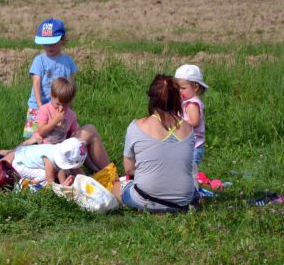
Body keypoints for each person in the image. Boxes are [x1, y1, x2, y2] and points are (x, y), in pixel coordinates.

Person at [121, 74, 198, 212]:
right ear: (177, 99)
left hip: (146, 198)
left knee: (117, 187)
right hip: (183, 201)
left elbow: (129, 169)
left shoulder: (136, 126)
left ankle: (153, 209)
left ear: (150, 99)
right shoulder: (189, 129)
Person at [24, 77, 113, 174]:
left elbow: (75, 131)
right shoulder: (45, 109)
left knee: (82, 150)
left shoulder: (71, 114)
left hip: (60, 146)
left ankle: (99, 171)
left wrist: (74, 133)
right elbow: (41, 132)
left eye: (65, 105)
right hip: (46, 148)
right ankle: (103, 172)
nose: (61, 108)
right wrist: (54, 122)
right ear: (51, 96)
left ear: (71, 101)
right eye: (58, 104)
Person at [23, 18, 77, 139]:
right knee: (33, 137)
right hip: (37, 106)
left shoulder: (67, 61)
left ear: (62, 40)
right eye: (45, 44)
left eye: (52, 43)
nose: (49, 47)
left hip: (59, 106)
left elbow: (70, 84)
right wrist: (40, 105)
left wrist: (69, 104)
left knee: (56, 137)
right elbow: (36, 83)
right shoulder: (39, 60)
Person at [3, 137, 87, 186]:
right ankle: (27, 183)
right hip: (19, 164)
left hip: (21, 155)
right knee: (44, 176)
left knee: (50, 174)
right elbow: (50, 182)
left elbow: (67, 168)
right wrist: (61, 188)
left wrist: (86, 180)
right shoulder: (50, 161)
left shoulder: (56, 150)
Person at [174, 64, 208, 175]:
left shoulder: (192, 104)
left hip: (194, 147)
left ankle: (193, 184)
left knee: (189, 171)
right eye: (178, 88)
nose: (180, 91)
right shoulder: (186, 102)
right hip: (188, 145)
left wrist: (178, 123)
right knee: (184, 170)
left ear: (196, 87)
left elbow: (195, 121)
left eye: (183, 88)